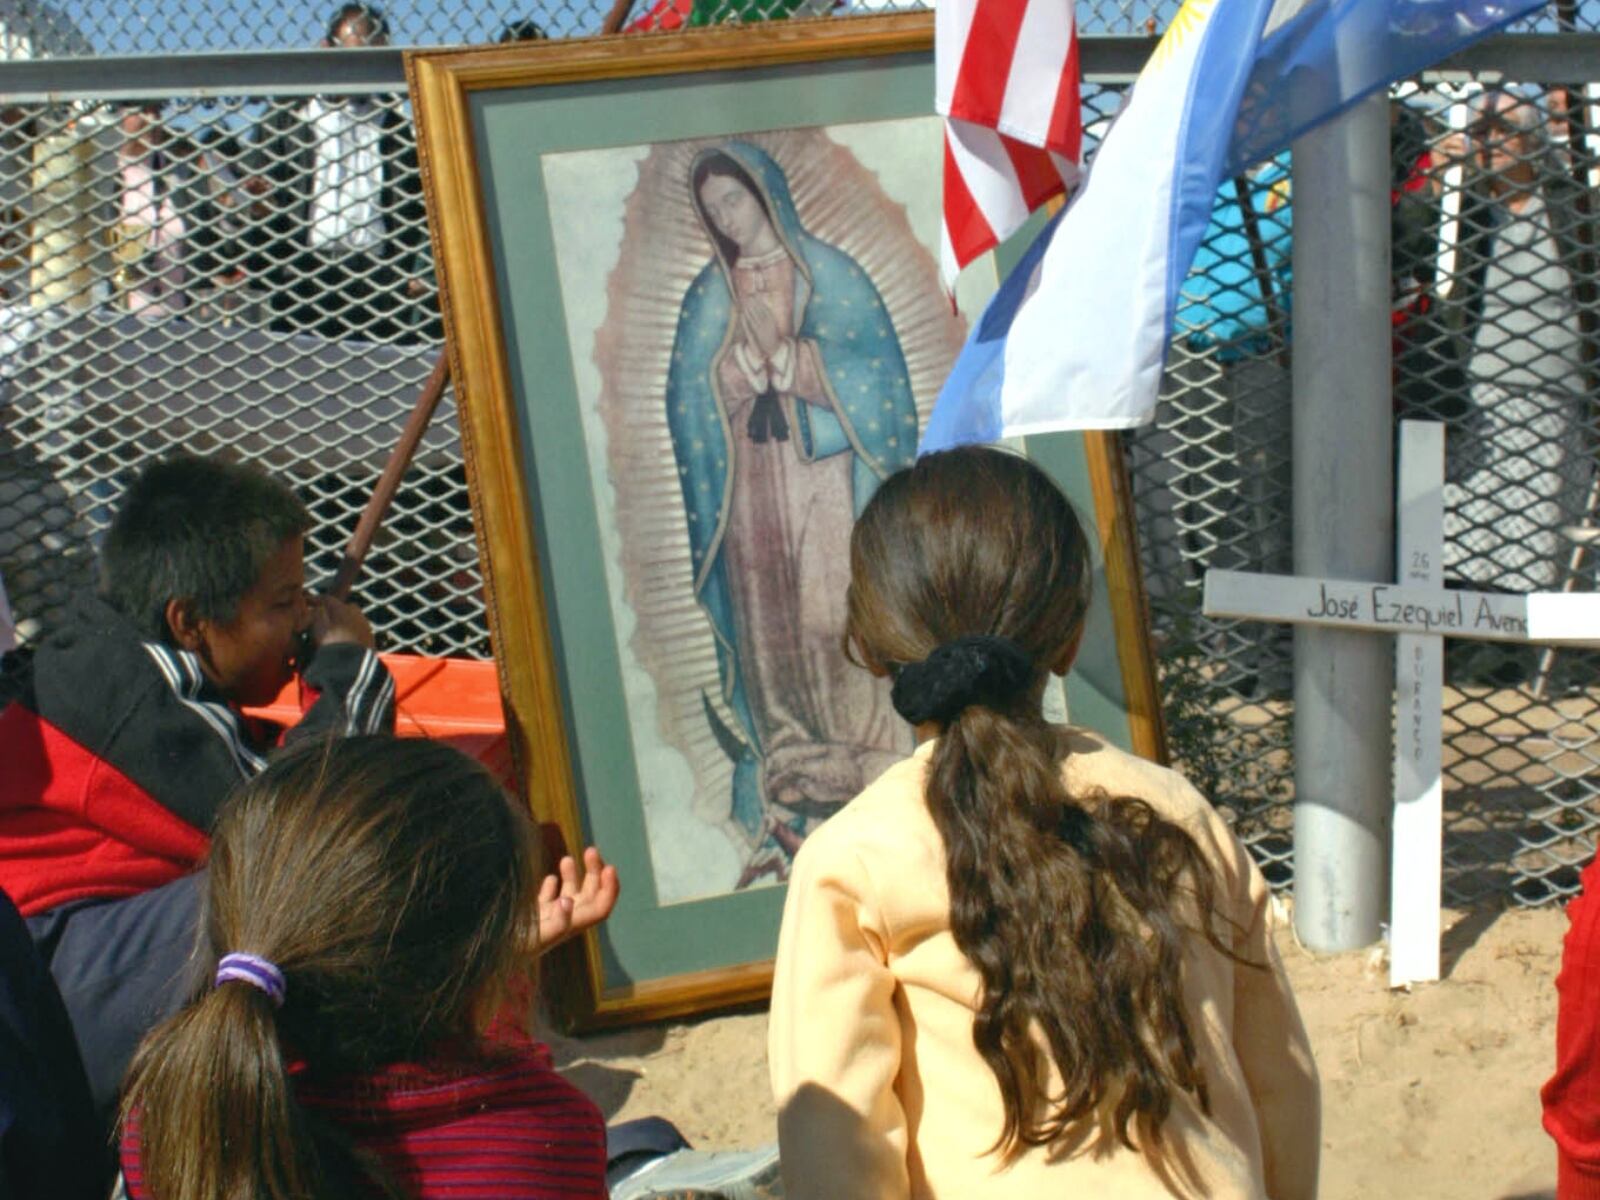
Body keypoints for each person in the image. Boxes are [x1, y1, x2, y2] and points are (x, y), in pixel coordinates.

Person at [769, 445, 1320, 1197]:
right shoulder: (1179, 813)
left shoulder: (853, 858)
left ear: (868, 646)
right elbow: (1280, 1081)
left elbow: (835, 1150)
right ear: (1068, 638)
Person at [0, 452, 394, 1124]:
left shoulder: (105, 658)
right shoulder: (132, 693)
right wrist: (349, 668)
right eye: (282, 603)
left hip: (72, 971)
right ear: (188, 624)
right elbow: (301, 824)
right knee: (302, 881)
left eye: (306, 597)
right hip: (54, 994)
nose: (305, 618)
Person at [117, 734, 611, 1199]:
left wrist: (476, 970)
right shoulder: (546, 1137)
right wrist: (501, 984)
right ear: (474, 976)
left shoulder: (170, 1119)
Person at [666, 141, 918, 885]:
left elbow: (882, 380)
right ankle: (791, 748)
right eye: (714, 212)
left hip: (825, 472)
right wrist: (738, 372)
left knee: (831, 601)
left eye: (734, 201)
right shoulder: (708, 296)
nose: (728, 219)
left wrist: (801, 366)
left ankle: (870, 743)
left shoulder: (831, 274)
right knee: (767, 610)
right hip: (749, 482)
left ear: (765, 192)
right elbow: (688, 397)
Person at [1442, 92, 1595, 595]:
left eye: (1501, 128)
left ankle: (1528, 639)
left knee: (1539, 530)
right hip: (1474, 402)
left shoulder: (1569, 208)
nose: (1489, 141)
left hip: (1552, 397)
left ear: (1532, 137)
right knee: (1469, 525)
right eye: (1480, 130)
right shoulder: (1466, 212)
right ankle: (1472, 631)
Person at [243, 3, 428, 343]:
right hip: (307, 274)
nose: (364, 73)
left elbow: (415, 205)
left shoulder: (395, 125)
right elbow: (260, 200)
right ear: (327, 49)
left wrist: (409, 269)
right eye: (356, 58)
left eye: (375, 61)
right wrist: (261, 208)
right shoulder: (287, 119)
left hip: (377, 277)